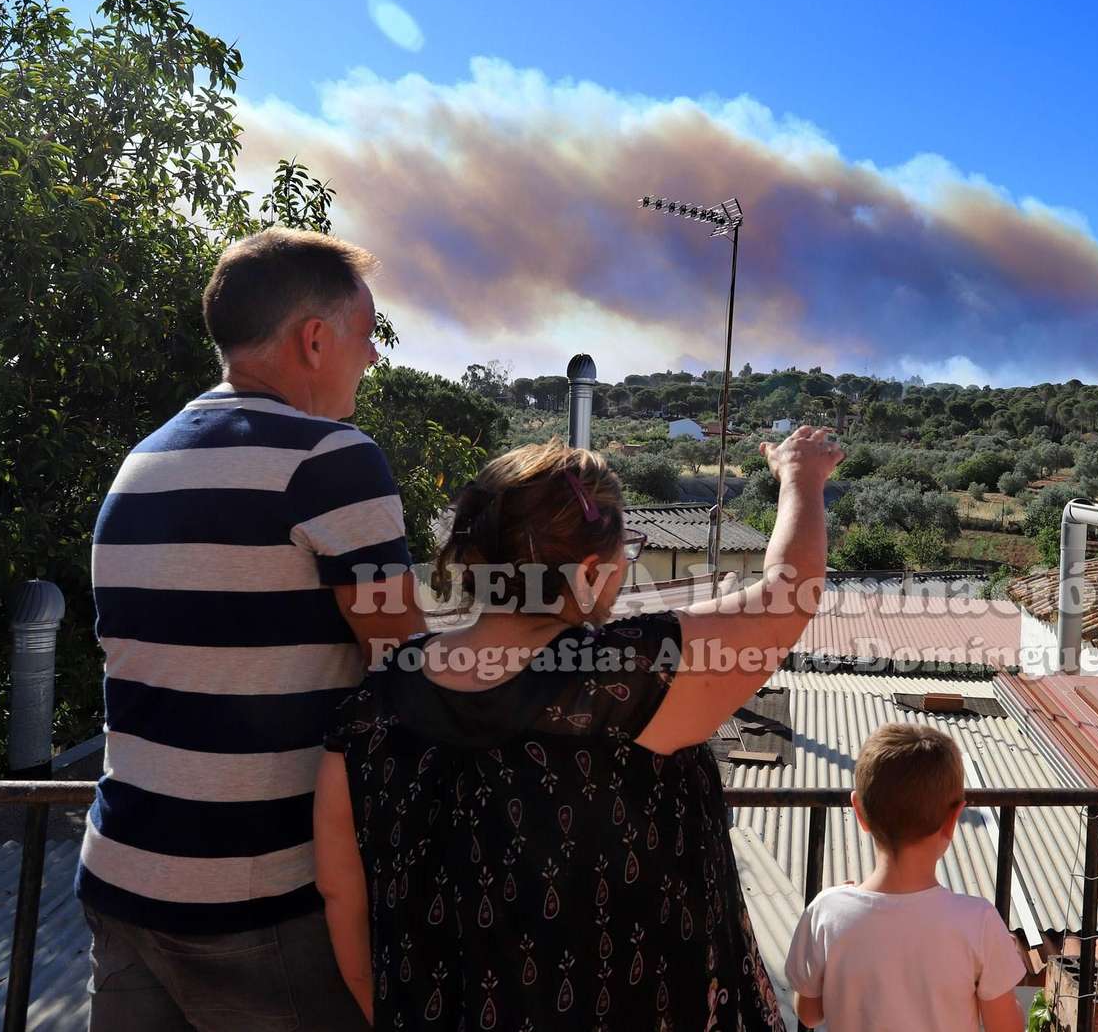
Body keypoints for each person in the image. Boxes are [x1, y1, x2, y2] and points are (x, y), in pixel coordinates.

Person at [314, 427, 841, 1029]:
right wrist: (800, 476)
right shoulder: (630, 677)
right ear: (590, 570)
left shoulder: (368, 707)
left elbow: (341, 895)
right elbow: (786, 596)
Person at [77, 227, 424, 1031]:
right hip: (258, 900)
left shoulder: (142, 461)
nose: (370, 360)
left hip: (121, 878)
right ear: (313, 339)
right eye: (365, 338)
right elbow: (409, 667)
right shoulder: (332, 456)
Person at [785, 723, 1027, 1031]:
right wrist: (1002, 969)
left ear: (859, 811)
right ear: (953, 819)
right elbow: (1006, 1027)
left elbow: (809, 1014)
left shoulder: (826, 911)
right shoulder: (978, 922)